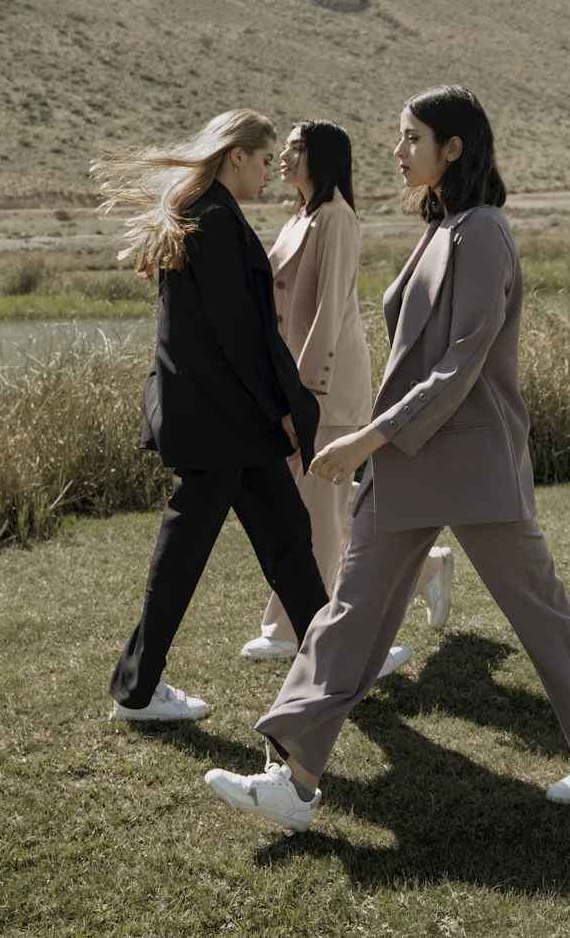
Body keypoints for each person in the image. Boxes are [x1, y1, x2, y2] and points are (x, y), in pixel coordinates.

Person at [203, 86, 570, 827]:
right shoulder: (442, 227)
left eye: (413, 137)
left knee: (542, 612)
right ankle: (295, 778)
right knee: (348, 612)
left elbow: (461, 365)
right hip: (411, 465)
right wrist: (381, 445)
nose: (398, 150)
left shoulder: (485, 232)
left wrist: (364, 438)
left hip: (471, 466)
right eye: (400, 136)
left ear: (455, 149)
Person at [92, 108, 328, 722]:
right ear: (236, 156)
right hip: (226, 423)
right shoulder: (218, 220)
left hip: (223, 424)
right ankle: (138, 692)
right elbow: (241, 336)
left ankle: (332, 666)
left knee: (288, 540)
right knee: (194, 555)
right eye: (263, 158)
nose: (271, 174)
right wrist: (285, 409)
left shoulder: (205, 216)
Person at [240, 119, 454, 670]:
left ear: (322, 156)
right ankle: (425, 565)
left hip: (326, 387)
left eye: (294, 148)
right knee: (324, 502)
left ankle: (291, 629)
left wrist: (303, 395)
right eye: (282, 149)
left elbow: (332, 312)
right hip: (298, 384)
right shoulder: (298, 216)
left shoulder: (337, 217)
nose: (282, 157)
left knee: (315, 507)